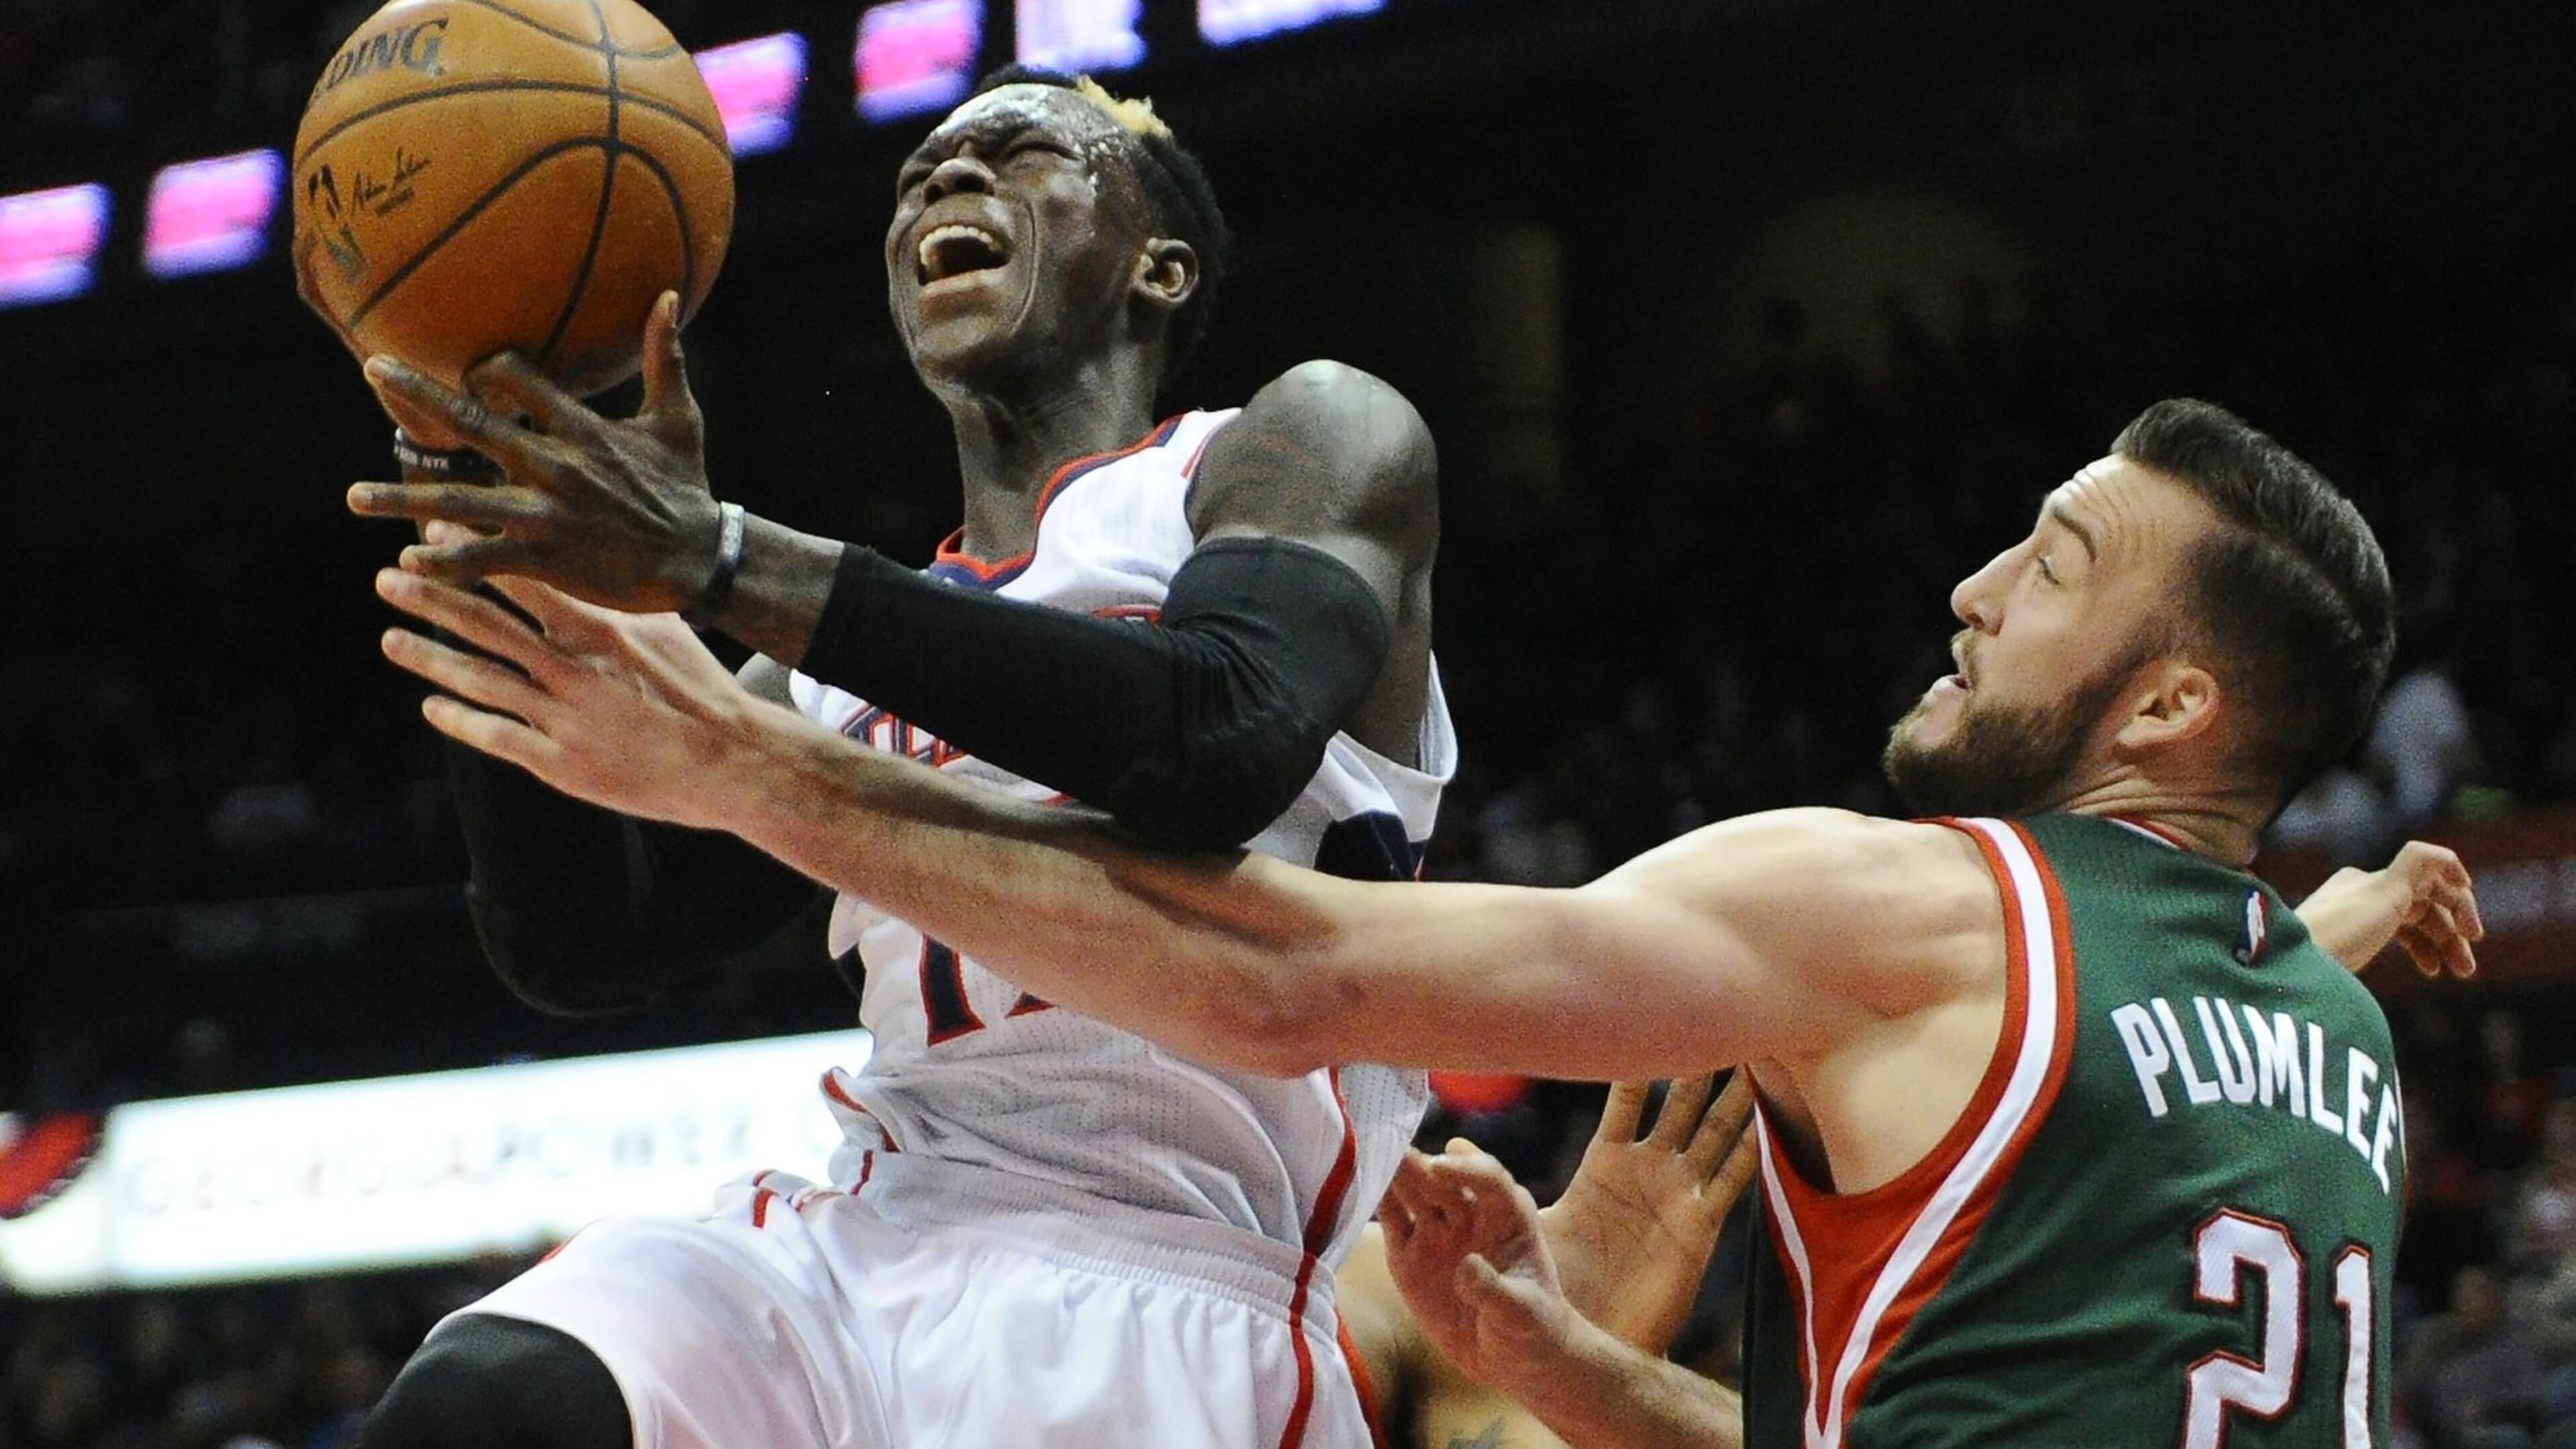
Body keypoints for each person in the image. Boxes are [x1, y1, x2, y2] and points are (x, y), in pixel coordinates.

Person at [374, 397, 2487, 1446]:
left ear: (2175, 700)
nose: (1974, 589)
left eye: (2052, 563)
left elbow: (1284, 977)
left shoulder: (1915, 908)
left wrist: (753, 770)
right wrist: (1564, 1366)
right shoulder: (2337, 1043)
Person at [343, 68, 1453, 1449]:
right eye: (919, 173)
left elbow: (1220, 734)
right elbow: (588, 946)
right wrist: (516, 551)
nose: (943, 179)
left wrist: (726, 559)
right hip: (865, 1232)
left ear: (1158, 268)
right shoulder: (818, 671)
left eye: (1017, 150)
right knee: (492, 1405)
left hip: (1163, 1274)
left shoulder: (1300, 443)